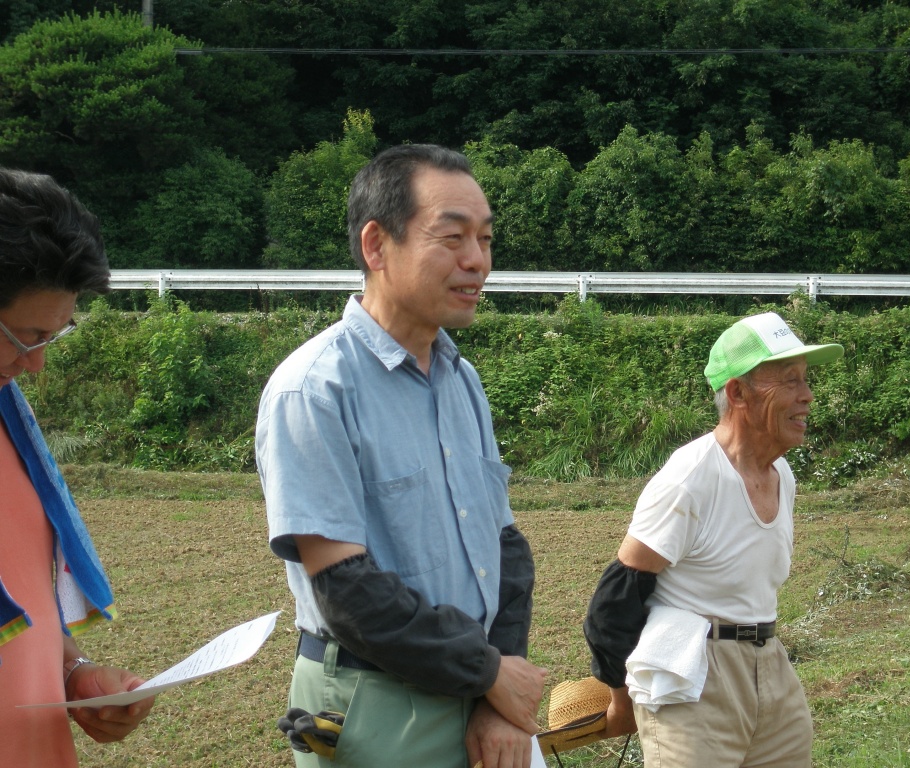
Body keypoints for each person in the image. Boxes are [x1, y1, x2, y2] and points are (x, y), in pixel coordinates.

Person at [256, 144, 546, 768]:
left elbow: (504, 551)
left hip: (475, 690)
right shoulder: (314, 389)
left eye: (487, 240)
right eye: (453, 237)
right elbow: (345, 589)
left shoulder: (461, 381)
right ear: (377, 246)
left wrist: (497, 697)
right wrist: (489, 671)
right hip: (372, 700)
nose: (477, 261)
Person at [583, 311, 844, 768]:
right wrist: (622, 701)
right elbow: (613, 601)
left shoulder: (782, 473)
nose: (807, 396)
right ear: (737, 392)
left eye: (805, 379)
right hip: (693, 681)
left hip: (772, 669)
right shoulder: (691, 479)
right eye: (788, 381)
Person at [0, 168, 155, 766]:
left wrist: (74, 674)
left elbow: (19, 602)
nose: (35, 365)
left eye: (52, 338)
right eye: (23, 336)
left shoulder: (10, 425)